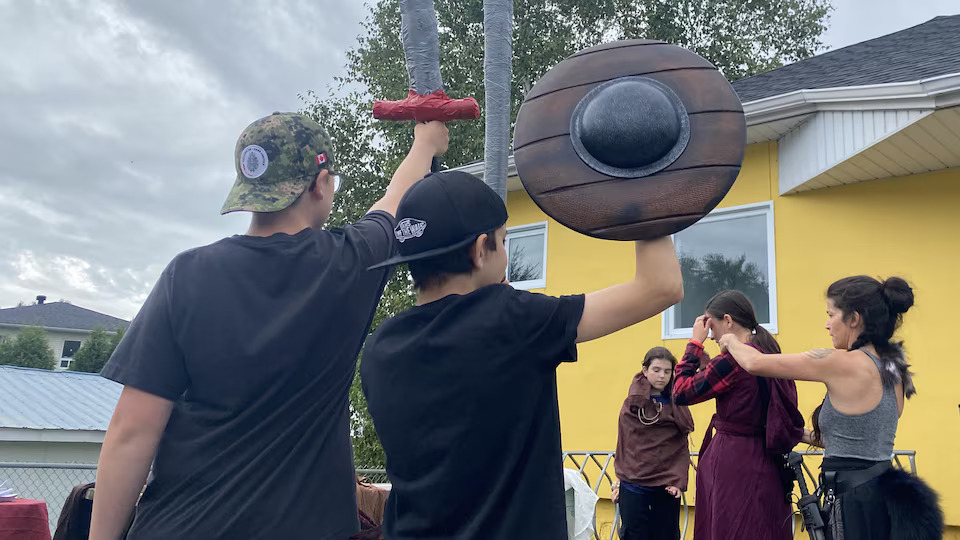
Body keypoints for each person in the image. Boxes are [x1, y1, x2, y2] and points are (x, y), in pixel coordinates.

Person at [89, 112, 449, 540]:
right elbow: (393, 202)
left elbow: (131, 431)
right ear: (320, 184)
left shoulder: (186, 275)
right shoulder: (347, 265)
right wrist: (425, 144)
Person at [359, 171, 684, 539]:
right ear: (480, 250)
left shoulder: (380, 347)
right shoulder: (514, 321)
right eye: (503, 241)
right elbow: (661, 287)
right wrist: (645, 182)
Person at [719, 276, 944, 540]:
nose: (827, 325)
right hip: (883, 497)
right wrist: (799, 434)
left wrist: (731, 340)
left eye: (831, 314)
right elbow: (861, 441)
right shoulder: (894, 366)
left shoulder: (842, 362)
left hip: (854, 502)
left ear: (853, 319)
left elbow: (755, 363)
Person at [672, 290, 804, 540]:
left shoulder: (732, 361)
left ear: (728, 321)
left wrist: (694, 344)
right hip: (769, 458)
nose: (711, 336)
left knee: (733, 528)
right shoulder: (769, 351)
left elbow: (681, 392)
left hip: (734, 460)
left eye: (712, 327)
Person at [613, 346, 694, 540]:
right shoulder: (632, 406)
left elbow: (680, 446)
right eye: (656, 370)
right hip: (634, 483)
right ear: (645, 371)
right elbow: (626, 443)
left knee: (665, 535)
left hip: (666, 484)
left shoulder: (677, 404)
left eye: (667, 371)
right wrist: (620, 480)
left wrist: (677, 479)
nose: (661, 376)